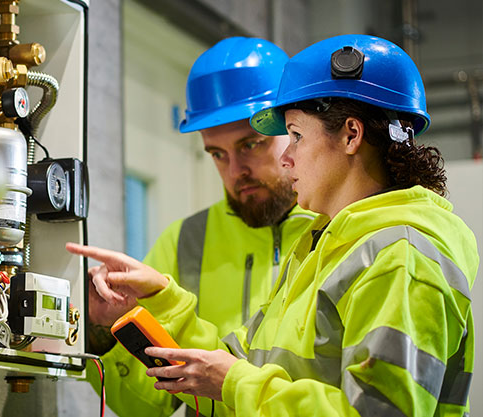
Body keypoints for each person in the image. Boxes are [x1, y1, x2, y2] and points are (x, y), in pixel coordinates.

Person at [71, 34, 477, 416]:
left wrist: (234, 382)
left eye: (295, 136)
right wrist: (162, 300)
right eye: (216, 153)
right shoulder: (323, 248)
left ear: (351, 134)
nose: (287, 158)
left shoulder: (399, 256)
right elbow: (234, 370)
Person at [85, 37, 316, 417]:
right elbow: (147, 407)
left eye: (251, 145)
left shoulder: (337, 231)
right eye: (218, 154)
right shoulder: (182, 243)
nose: (235, 171)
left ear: (292, 129)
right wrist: (104, 333)